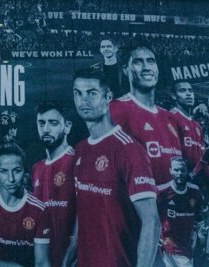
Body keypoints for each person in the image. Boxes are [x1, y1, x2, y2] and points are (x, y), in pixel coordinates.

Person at [71, 67, 159, 267]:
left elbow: (151, 222)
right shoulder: (81, 149)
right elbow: (83, 212)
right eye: (78, 93)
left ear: (108, 96)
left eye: (91, 93)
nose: (83, 100)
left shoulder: (128, 150)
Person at [109, 46, 183, 186]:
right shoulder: (116, 110)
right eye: (138, 62)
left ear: (157, 69)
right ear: (126, 70)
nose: (146, 67)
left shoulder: (170, 118)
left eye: (150, 61)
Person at [30, 102, 76, 267]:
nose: (46, 129)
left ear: (67, 126)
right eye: (41, 123)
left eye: (53, 123)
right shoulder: (37, 168)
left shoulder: (78, 162)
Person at [156, 157, 203, 267]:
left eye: (182, 170)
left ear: (187, 171)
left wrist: (200, 230)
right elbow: (151, 216)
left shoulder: (195, 192)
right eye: (176, 170)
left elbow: (200, 214)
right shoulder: (161, 192)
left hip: (188, 242)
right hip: (169, 242)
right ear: (170, 171)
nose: (179, 173)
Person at [168, 81, 205, 171]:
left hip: (198, 178)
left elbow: (202, 156)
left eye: (190, 91)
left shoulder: (196, 125)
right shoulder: (170, 117)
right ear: (174, 96)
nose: (188, 94)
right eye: (183, 91)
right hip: (181, 177)